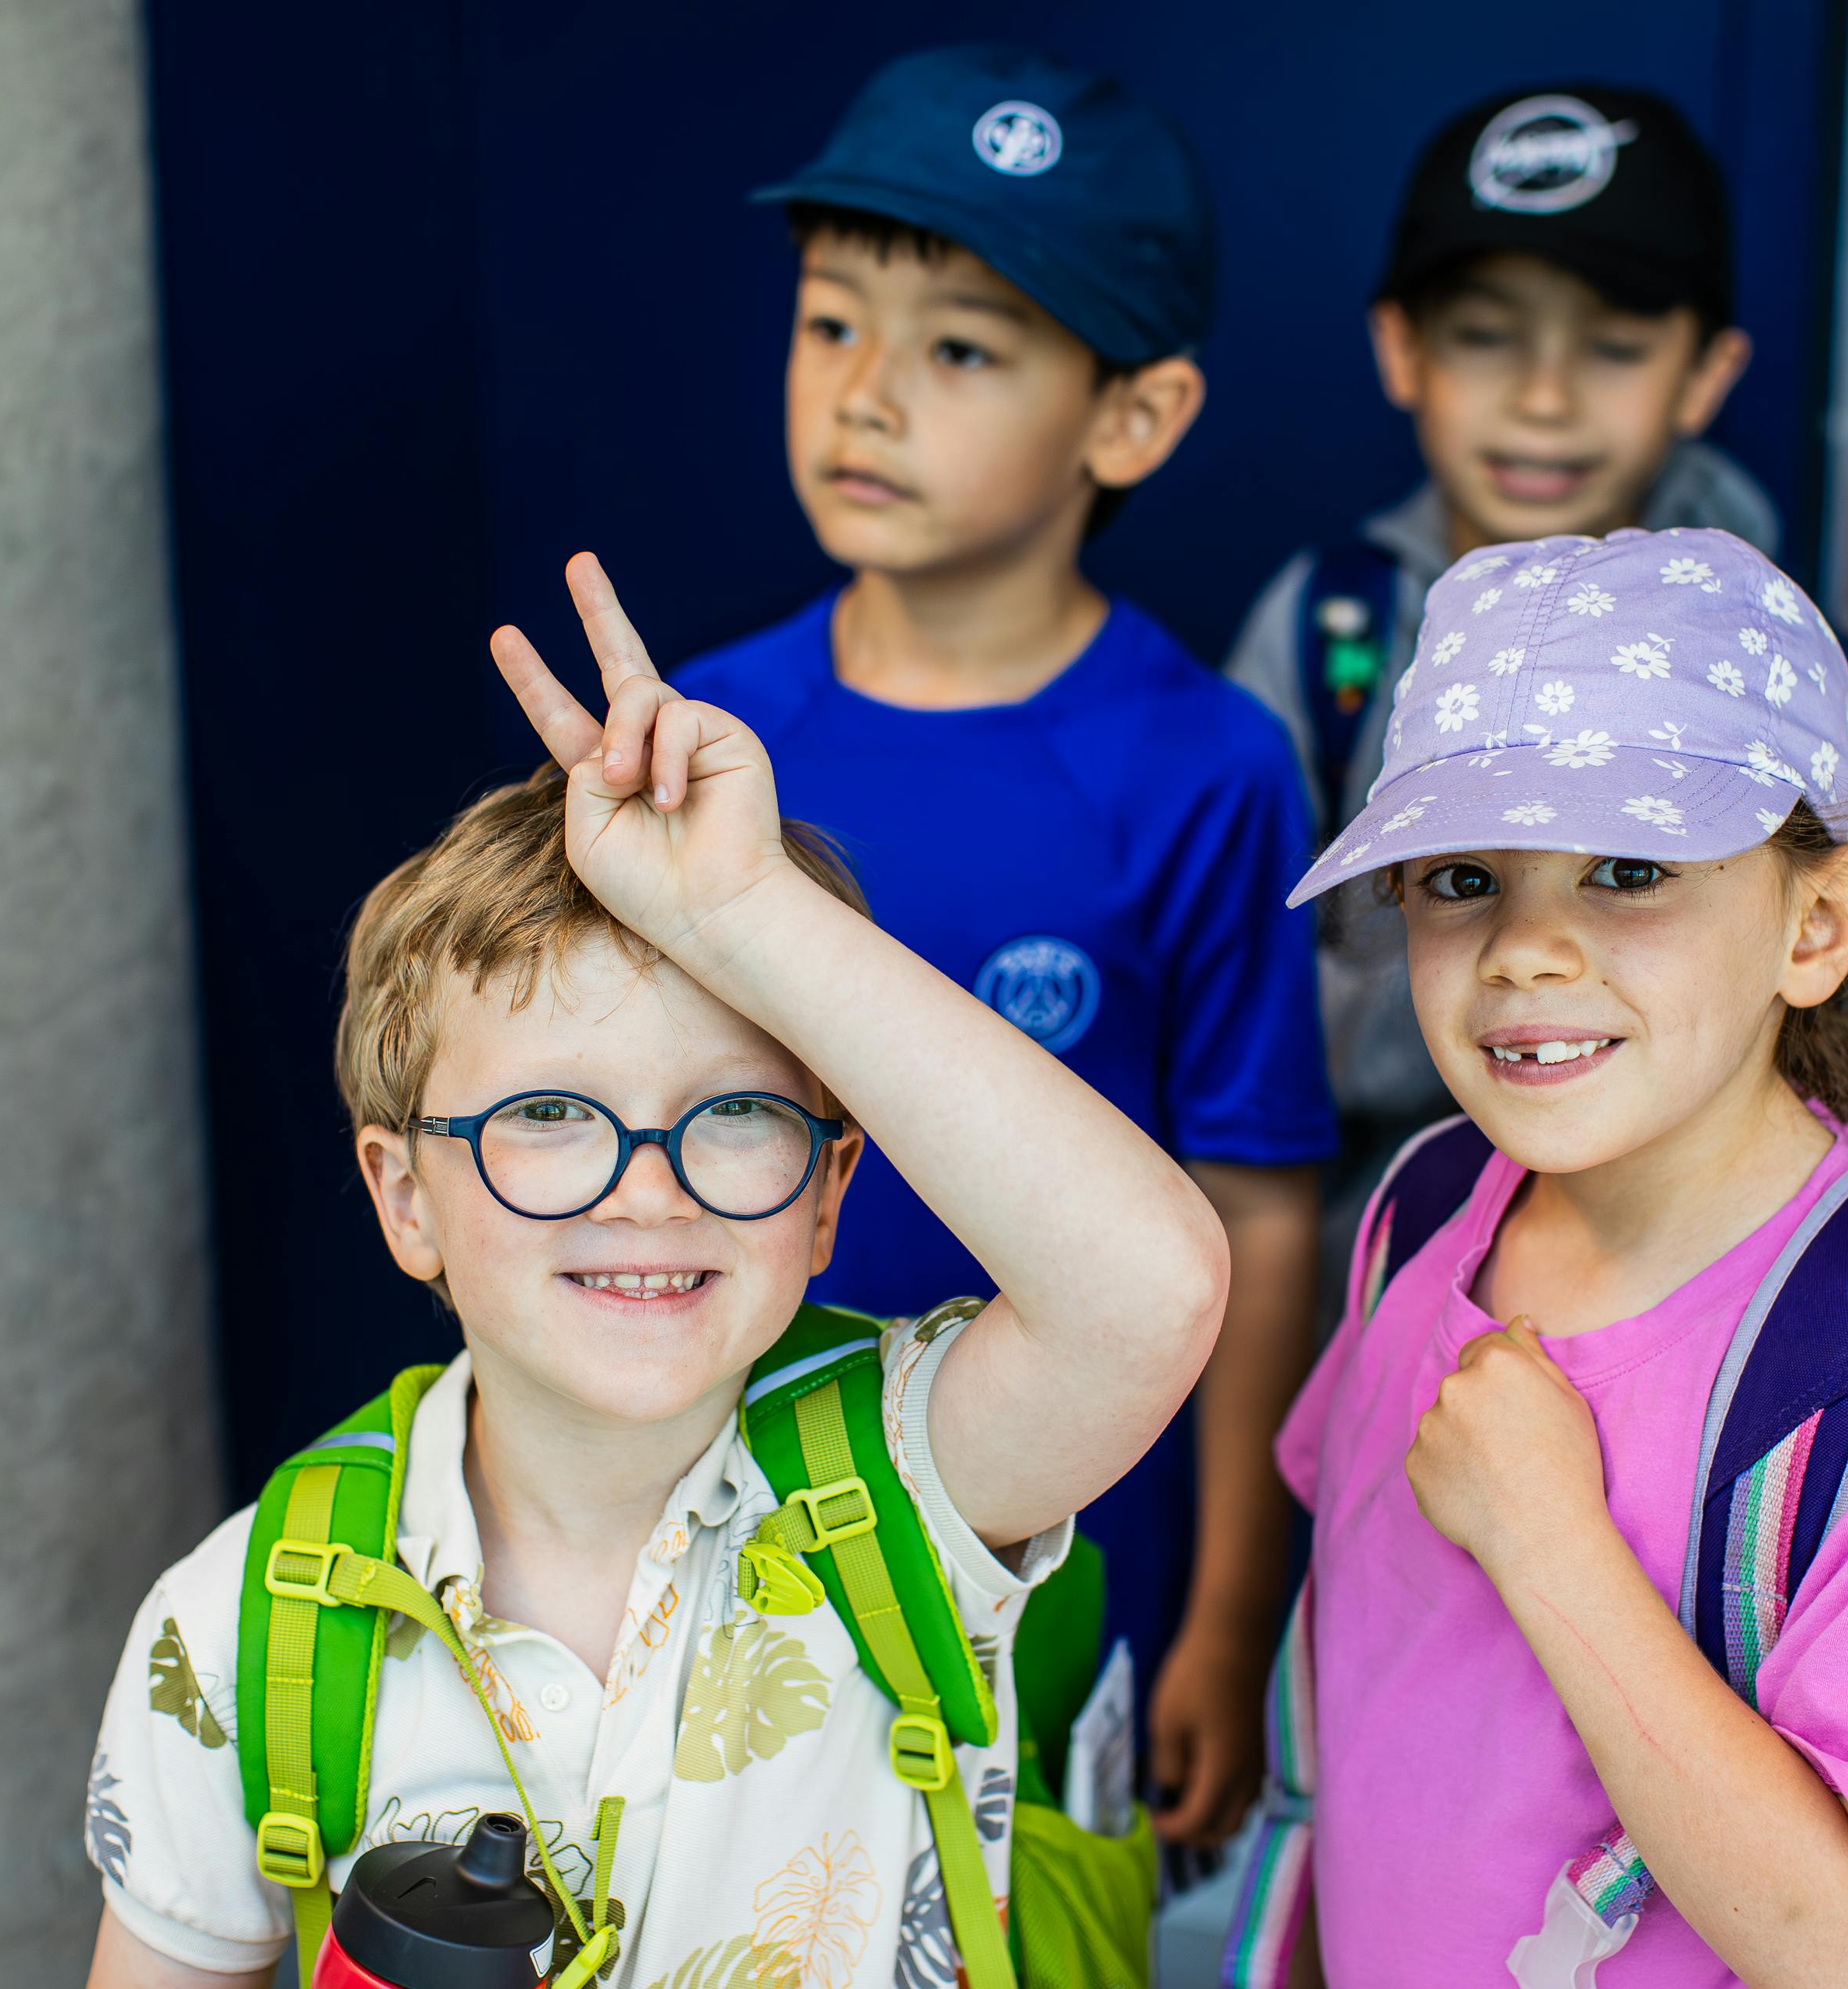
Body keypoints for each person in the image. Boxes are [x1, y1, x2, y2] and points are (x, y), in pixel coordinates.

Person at [79, 554, 1233, 1987]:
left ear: (828, 1192)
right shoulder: (240, 1630)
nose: (647, 1189)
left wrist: (741, 910)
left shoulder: (909, 1481)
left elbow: (1151, 1291)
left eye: (735, 1114)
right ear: (405, 1198)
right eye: (548, 1117)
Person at [667, 47, 1333, 1855]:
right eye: (830, 323)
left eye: (961, 350)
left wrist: (1226, 1611)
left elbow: (1256, 1206)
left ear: (1134, 415)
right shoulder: (708, 734)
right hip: (721, 1541)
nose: (865, 392)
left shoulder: (1203, 764)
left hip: (1056, 1558)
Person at [1258, 528, 1848, 1984]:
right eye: (1460, 878)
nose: (1526, 951)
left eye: (1628, 869)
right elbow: (1377, 1691)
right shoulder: (1423, 1208)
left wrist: (1549, 1540)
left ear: (1818, 924)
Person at [1220, 84, 1848, 1248]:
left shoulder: (1779, 667)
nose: (1544, 397)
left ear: (1706, 372)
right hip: (1391, 1279)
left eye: (1613, 345)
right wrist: (1485, 1017)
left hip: (1709, 1282)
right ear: (1402, 349)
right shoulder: (1326, 629)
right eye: (1487, 334)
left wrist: (1699, 1038)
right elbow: (1222, 999)